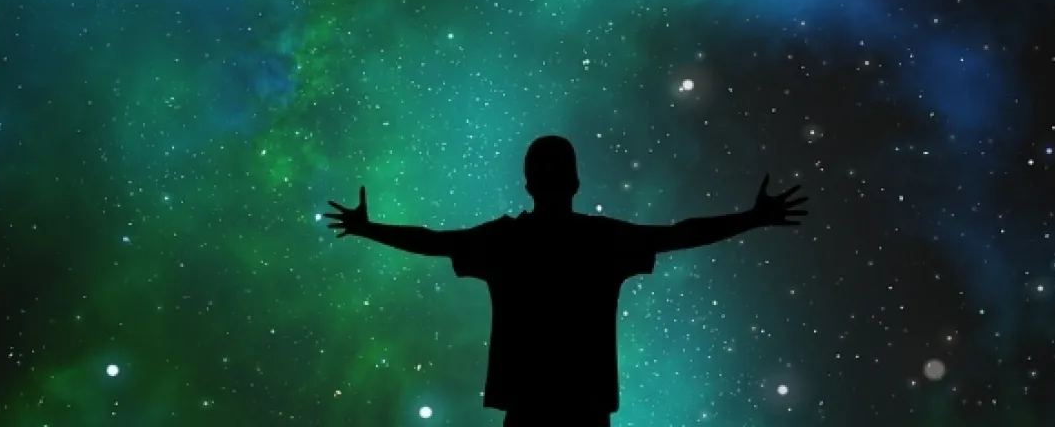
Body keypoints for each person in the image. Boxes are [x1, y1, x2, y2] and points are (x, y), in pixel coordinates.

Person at [324, 135, 808, 426]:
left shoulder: (506, 241)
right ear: (576, 182)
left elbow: (433, 242)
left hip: (527, 407)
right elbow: (679, 234)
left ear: (528, 184)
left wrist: (369, 229)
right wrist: (752, 218)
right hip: (586, 409)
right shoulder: (602, 240)